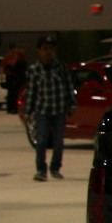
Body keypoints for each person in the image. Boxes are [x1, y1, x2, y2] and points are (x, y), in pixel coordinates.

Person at [21, 38, 73, 181]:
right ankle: (41, 170)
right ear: (39, 50)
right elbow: (31, 92)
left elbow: (69, 87)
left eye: (50, 48)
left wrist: (71, 104)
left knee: (58, 142)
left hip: (59, 109)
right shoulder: (34, 70)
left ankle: (55, 168)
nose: (48, 52)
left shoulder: (61, 67)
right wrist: (27, 112)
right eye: (45, 48)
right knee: (42, 141)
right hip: (42, 110)